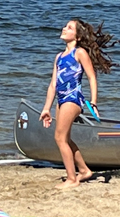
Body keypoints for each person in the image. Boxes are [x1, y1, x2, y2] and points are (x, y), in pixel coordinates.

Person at [39, 19, 115, 189]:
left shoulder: (79, 53)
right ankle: (84, 170)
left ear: (78, 36)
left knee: (59, 138)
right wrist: (46, 108)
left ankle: (72, 179)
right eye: (65, 26)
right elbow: (53, 84)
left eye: (69, 27)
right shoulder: (59, 57)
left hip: (73, 99)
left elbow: (92, 77)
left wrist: (94, 102)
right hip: (61, 99)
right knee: (64, 138)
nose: (64, 29)